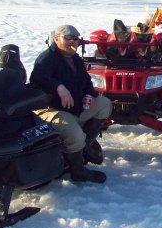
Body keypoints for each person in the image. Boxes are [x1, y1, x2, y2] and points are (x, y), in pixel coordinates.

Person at [30, 24, 112, 182]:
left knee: (104, 104)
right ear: (56, 39)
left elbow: (87, 81)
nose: (73, 42)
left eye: (76, 39)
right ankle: (78, 170)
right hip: (52, 109)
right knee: (75, 136)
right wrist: (58, 87)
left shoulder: (75, 59)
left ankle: (85, 146)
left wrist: (89, 94)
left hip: (76, 107)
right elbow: (37, 80)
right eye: (68, 38)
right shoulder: (46, 58)